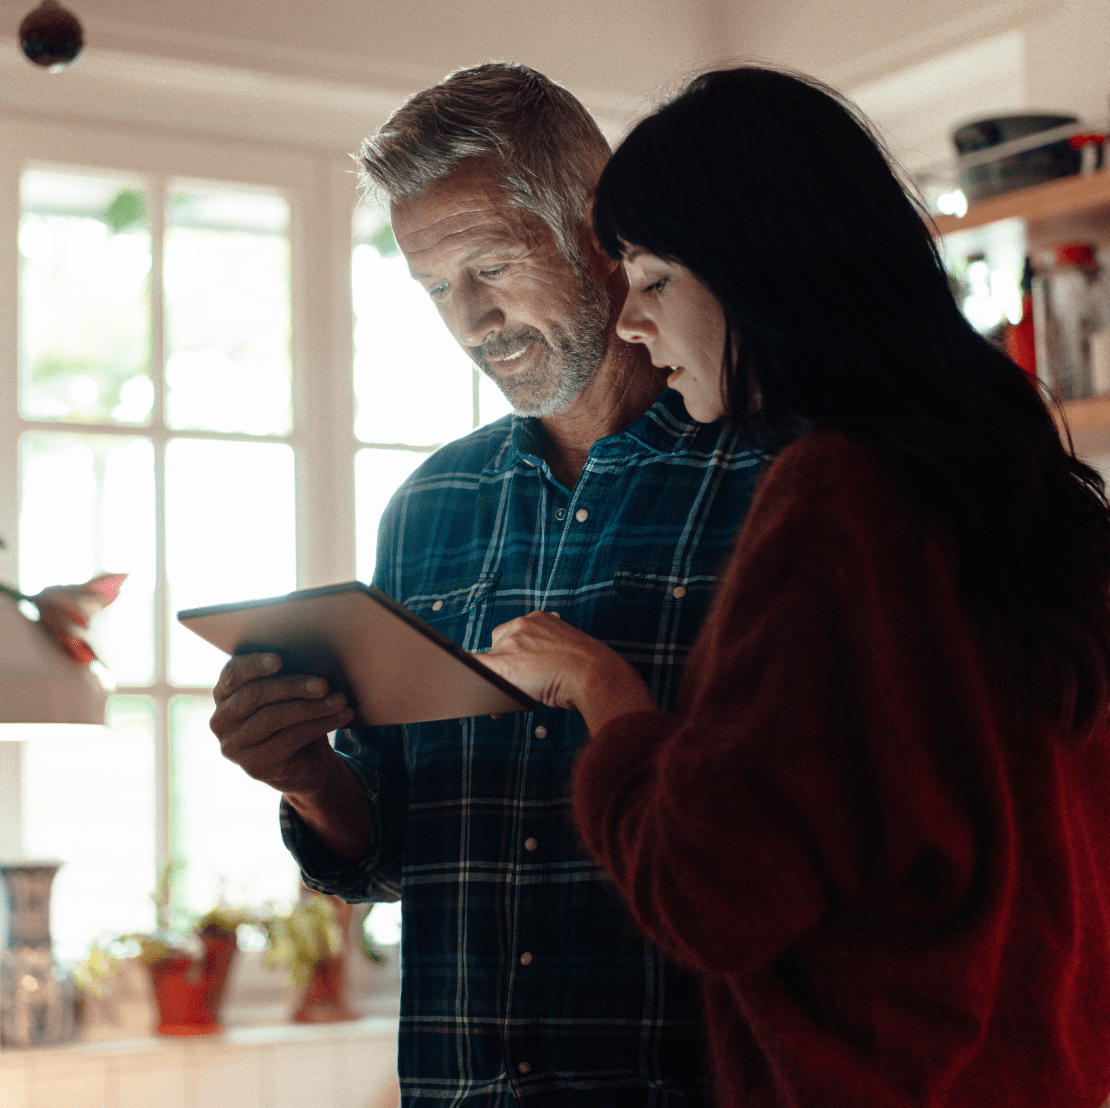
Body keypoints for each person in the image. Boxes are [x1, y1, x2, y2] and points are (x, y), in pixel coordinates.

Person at [480, 66, 1110, 1107]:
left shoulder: (839, 499)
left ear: (760, 265)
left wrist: (606, 694)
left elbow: (709, 891)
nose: (629, 321)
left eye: (653, 274)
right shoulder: (1021, 487)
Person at [209, 62, 763, 1105]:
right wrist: (307, 775)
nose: (469, 320)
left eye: (492, 267)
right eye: (434, 288)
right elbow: (391, 850)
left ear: (600, 233)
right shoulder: (430, 506)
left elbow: (797, 828)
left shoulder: (772, 482)